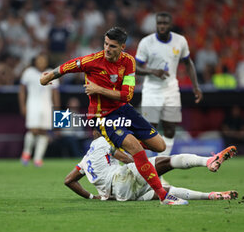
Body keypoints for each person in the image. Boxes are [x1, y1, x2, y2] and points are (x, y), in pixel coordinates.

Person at [40, 27, 185, 205]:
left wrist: (98, 89)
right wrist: (49, 76)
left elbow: (127, 95)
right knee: (137, 151)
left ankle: (117, 142)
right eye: (106, 44)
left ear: (122, 47)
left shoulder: (129, 62)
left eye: (113, 46)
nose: (107, 49)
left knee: (160, 146)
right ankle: (163, 196)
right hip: (102, 116)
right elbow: (69, 65)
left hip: (124, 109)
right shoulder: (93, 60)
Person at [64, 130, 238, 202]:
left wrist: (92, 197)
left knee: (166, 191)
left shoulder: (85, 160)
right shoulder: (103, 140)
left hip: (120, 195)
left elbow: (69, 180)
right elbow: (125, 158)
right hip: (122, 179)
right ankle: (207, 161)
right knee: (168, 161)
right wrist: (140, 165)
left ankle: (210, 196)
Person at [135, 12, 203, 158]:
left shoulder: (180, 41)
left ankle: (159, 166)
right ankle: (144, 167)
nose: (162, 26)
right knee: (149, 128)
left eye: (165, 23)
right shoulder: (146, 42)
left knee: (170, 129)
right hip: (152, 90)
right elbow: (135, 67)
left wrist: (196, 86)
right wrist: (152, 71)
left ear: (170, 25)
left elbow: (188, 63)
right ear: (156, 24)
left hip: (171, 88)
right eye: (159, 23)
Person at [19, 54, 60, 167]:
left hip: (46, 105)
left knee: (44, 131)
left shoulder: (52, 72)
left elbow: (55, 93)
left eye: (43, 60)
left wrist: (56, 109)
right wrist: (22, 105)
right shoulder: (29, 72)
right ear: (35, 61)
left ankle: (38, 158)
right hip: (32, 104)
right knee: (34, 130)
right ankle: (26, 153)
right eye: (39, 60)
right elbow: (22, 90)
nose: (41, 62)